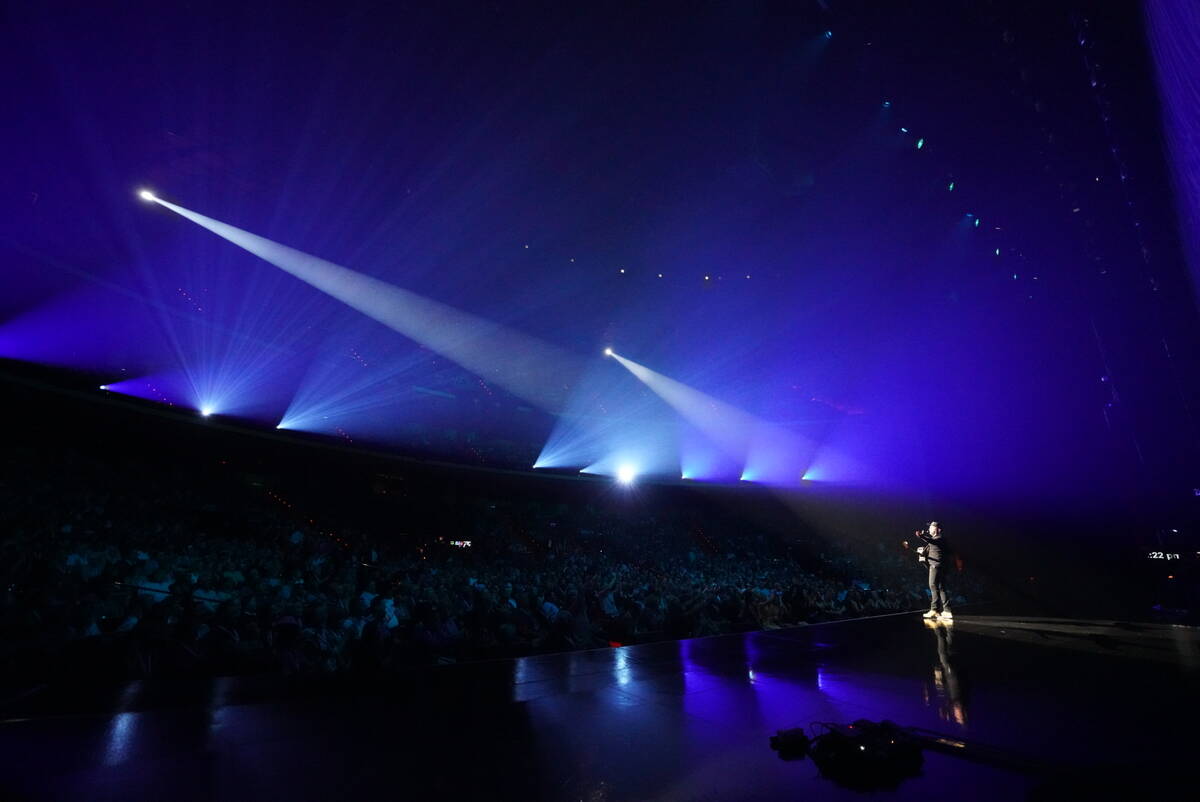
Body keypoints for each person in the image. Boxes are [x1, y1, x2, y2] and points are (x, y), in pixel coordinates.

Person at [915, 521, 952, 620]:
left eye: (931, 527)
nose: (929, 529)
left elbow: (933, 542)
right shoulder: (934, 540)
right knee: (941, 588)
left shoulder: (940, 538)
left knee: (933, 585)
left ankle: (934, 610)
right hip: (939, 566)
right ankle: (947, 611)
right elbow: (929, 548)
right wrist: (922, 553)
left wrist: (922, 536)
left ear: (937, 529)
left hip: (936, 566)